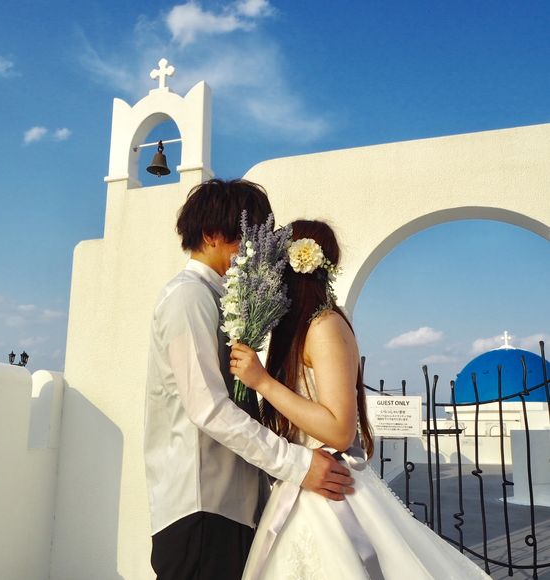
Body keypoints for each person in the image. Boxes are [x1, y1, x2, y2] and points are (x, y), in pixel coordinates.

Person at [230, 219, 491, 579]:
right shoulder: (299, 332)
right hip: (306, 482)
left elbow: (340, 430)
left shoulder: (325, 327)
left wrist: (262, 382)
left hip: (329, 490)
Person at [144, 182, 354, 580]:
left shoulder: (221, 299)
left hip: (233, 506)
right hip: (203, 505)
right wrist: (296, 464)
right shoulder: (188, 298)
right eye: (245, 237)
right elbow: (208, 408)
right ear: (211, 235)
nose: (253, 250)